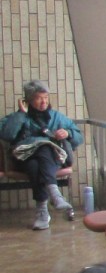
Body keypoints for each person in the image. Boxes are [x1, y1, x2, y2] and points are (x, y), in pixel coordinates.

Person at [0, 81, 82, 230]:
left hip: (54, 158)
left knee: (42, 152)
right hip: (24, 159)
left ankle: (42, 212)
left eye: (46, 97)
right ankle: (55, 194)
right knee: (36, 159)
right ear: (28, 100)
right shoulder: (18, 116)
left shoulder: (57, 117)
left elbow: (78, 136)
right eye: (38, 98)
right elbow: (7, 135)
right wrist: (21, 114)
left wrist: (68, 133)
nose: (44, 102)